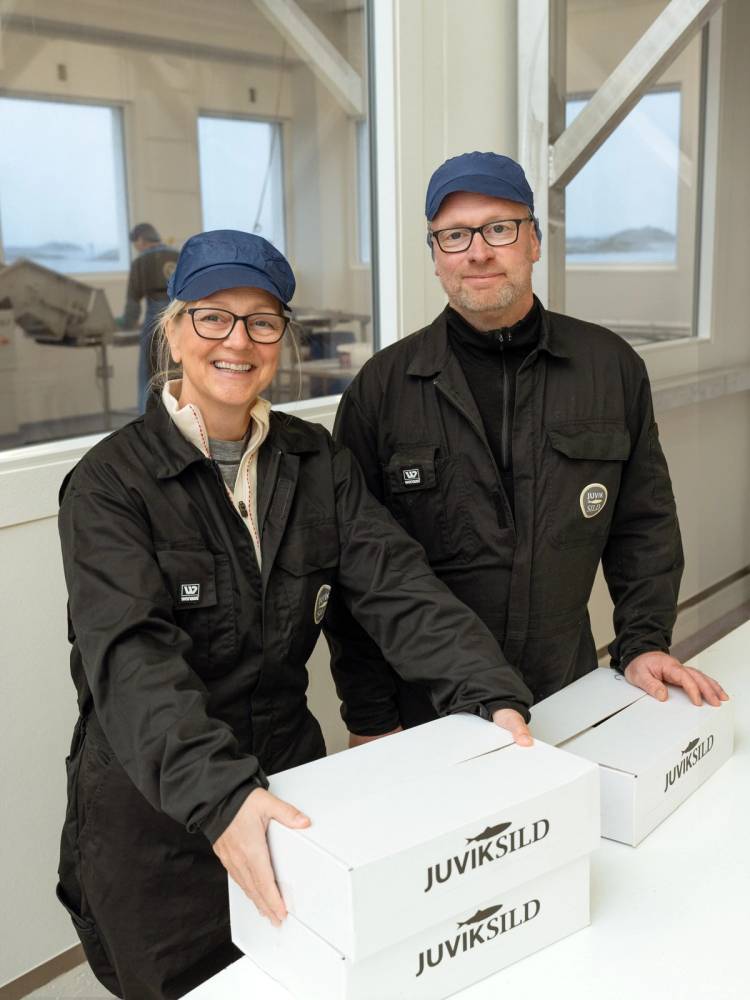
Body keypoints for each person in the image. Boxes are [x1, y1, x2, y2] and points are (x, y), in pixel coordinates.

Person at [57, 229, 535, 1000]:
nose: (237, 341)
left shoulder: (315, 462)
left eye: (262, 320)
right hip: (157, 821)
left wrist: (491, 694)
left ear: (282, 336)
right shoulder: (110, 485)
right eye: (213, 316)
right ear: (173, 331)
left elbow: (398, 586)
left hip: (294, 789)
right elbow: (131, 662)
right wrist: (221, 798)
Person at [327, 151, 728, 748]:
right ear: (435, 255)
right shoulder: (381, 391)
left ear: (534, 241)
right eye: (455, 235)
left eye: (500, 228)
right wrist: (370, 717)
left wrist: (643, 642)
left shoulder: (609, 369)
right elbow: (352, 571)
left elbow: (643, 526)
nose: (478, 251)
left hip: (567, 694)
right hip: (430, 712)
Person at [115, 222, 179, 412]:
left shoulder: (141, 262)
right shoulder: (178, 255)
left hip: (155, 320)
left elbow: (133, 303)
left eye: (136, 244)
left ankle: (147, 418)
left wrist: (126, 323)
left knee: (148, 374)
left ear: (141, 240)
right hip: (181, 317)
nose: (137, 248)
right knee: (179, 372)